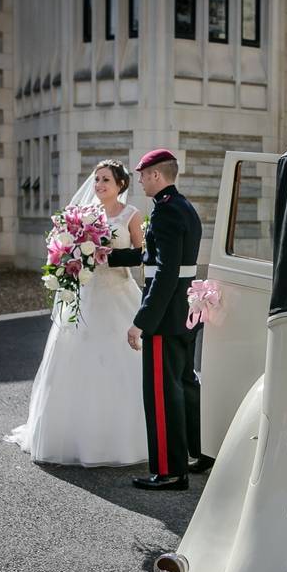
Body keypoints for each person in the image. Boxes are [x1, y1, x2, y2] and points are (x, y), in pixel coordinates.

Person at [4, 159, 148, 466]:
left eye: (106, 180)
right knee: (75, 358)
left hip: (118, 293)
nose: (99, 186)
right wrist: (73, 255)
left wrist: (110, 254)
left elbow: (141, 254)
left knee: (122, 362)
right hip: (88, 292)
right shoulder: (84, 215)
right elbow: (68, 247)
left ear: (120, 184)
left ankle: (123, 438)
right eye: (96, 180)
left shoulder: (131, 215)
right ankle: (71, 436)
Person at [107, 149, 211, 490]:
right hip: (185, 312)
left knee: (163, 393)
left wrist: (142, 321)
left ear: (155, 175)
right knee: (184, 384)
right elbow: (155, 257)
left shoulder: (166, 213)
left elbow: (164, 274)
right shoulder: (183, 207)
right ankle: (194, 455)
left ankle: (169, 471)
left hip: (165, 318)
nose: (139, 180)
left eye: (142, 174)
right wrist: (111, 256)